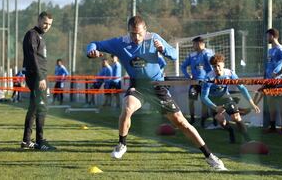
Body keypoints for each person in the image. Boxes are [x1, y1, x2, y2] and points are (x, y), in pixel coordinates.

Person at [86, 16, 227, 170]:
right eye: (133, 34)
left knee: (181, 123)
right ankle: (122, 144)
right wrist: (90, 51)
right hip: (138, 86)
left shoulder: (154, 38)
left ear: (145, 31)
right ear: (128, 32)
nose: (136, 37)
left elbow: (174, 54)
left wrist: (163, 49)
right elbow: (95, 44)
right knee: (127, 107)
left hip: (157, 87)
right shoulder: (120, 42)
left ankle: (210, 156)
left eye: (139, 33)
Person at [201, 54, 260, 143]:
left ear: (223, 64)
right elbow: (204, 97)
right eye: (214, 66)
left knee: (236, 117)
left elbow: (242, 88)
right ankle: (231, 131)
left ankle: (249, 140)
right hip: (213, 101)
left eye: (218, 65)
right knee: (221, 121)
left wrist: (252, 104)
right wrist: (216, 108)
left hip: (225, 97)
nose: (217, 68)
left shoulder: (230, 73)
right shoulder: (208, 77)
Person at [21, 11, 56, 150]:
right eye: (45, 23)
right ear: (39, 20)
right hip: (36, 75)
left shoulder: (40, 36)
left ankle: (26, 141)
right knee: (41, 107)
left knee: (34, 108)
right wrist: (41, 77)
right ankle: (40, 142)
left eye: (49, 24)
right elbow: (32, 57)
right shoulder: (32, 35)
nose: (47, 26)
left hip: (40, 76)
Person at [181, 36, 215, 128]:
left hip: (205, 82)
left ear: (201, 44)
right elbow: (182, 66)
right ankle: (192, 119)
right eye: (193, 44)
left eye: (194, 44)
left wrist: (211, 78)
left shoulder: (208, 53)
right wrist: (188, 76)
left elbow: (213, 66)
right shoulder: (192, 55)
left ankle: (203, 120)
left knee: (204, 101)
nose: (193, 46)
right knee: (191, 101)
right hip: (194, 83)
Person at [264, 28, 282, 134]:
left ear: (272, 36)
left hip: (278, 81)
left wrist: (278, 74)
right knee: (270, 103)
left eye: (267, 36)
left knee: (280, 103)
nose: (266, 38)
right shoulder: (270, 50)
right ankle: (273, 126)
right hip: (269, 81)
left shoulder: (280, 49)